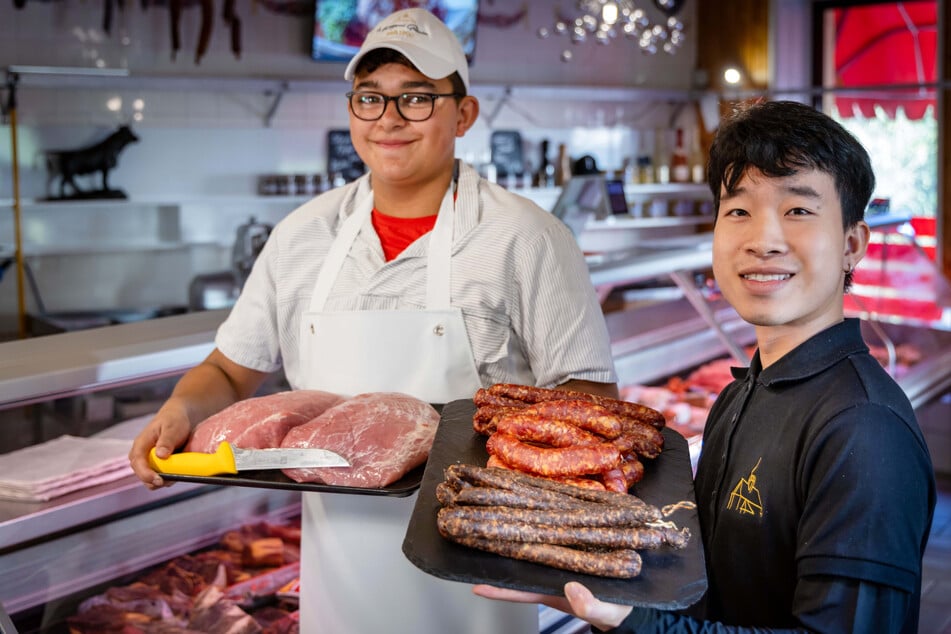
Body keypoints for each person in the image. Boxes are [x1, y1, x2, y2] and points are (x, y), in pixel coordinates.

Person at [128, 7, 618, 633]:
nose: (389, 118)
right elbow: (230, 369)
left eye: (417, 97)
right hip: (340, 582)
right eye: (370, 98)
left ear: (463, 115)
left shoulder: (528, 238)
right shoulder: (301, 236)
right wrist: (180, 411)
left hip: (481, 573)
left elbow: (591, 400)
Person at [474, 100, 936, 632]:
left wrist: (634, 622)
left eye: (799, 211)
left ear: (853, 244)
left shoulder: (864, 430)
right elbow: (709, 588)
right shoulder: (740, 395)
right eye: (738, 210)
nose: (762, 241)